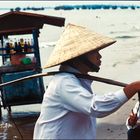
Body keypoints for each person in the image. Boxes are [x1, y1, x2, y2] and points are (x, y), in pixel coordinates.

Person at [33, 23, 140, 139]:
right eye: (95, 52)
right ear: (80, 56)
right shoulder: (63, 82)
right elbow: (96, 107)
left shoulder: (77, 80)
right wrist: (133, 87)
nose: (100, 56)